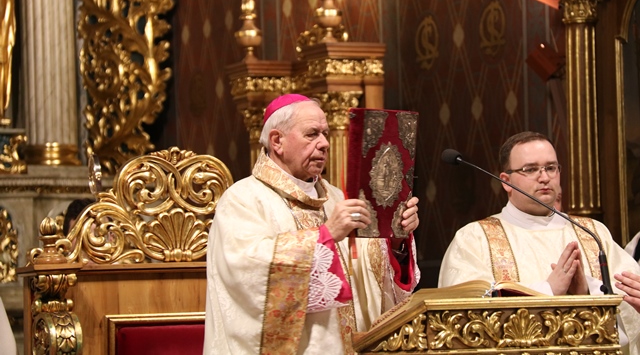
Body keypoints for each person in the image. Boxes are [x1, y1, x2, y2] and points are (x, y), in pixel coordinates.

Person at [203, 94, 421, 355]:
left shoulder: (337, 198)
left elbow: (365, 276)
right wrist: (326, 235)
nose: (324, 143)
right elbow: (248, 272)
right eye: (312, 134)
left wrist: (397, 239)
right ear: (277, 141)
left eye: (325, 134)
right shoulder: (243, 200)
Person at [439, 131, 640, 353]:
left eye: (551, 168)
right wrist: (548, 290)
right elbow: (463, 322)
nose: (544, 177)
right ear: (506, 181)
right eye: (530, 169)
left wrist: (586, 292)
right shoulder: (474, 239)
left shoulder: (593, 233)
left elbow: (630, 314)